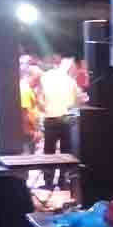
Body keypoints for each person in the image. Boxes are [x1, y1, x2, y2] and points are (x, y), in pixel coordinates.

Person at [40, 56, 82, 190]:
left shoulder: (46, 77)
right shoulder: (71, 81)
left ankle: (48, 182)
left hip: (50, 118)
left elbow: (42, 97)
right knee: (65, 152)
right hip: (66, 119)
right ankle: (63, 181)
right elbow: (76, 103)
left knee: (49, 152)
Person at [19, 65, 42, 155]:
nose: (38, 83)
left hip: (30, 130)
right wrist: (35, 131)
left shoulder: (29, 89)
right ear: (28, 76)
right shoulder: (25, 90)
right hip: (28, 132)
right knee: (27, 156)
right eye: (36, 80)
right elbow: (24, 113)